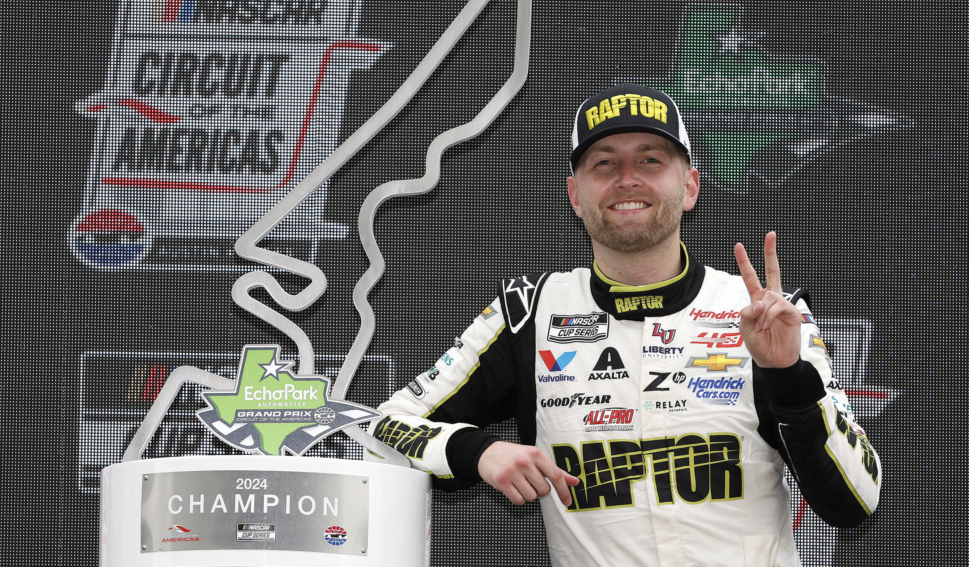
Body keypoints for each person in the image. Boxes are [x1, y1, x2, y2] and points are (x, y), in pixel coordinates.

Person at [368, 84, 881, 566]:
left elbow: (856, 500)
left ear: (690, 186)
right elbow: (381, 428)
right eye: (604, 163)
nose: (627, 178)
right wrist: (477, 451)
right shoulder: (529, 312)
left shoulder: (765, 314)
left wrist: (788, 377)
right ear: (575, 195)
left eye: (650, 160)